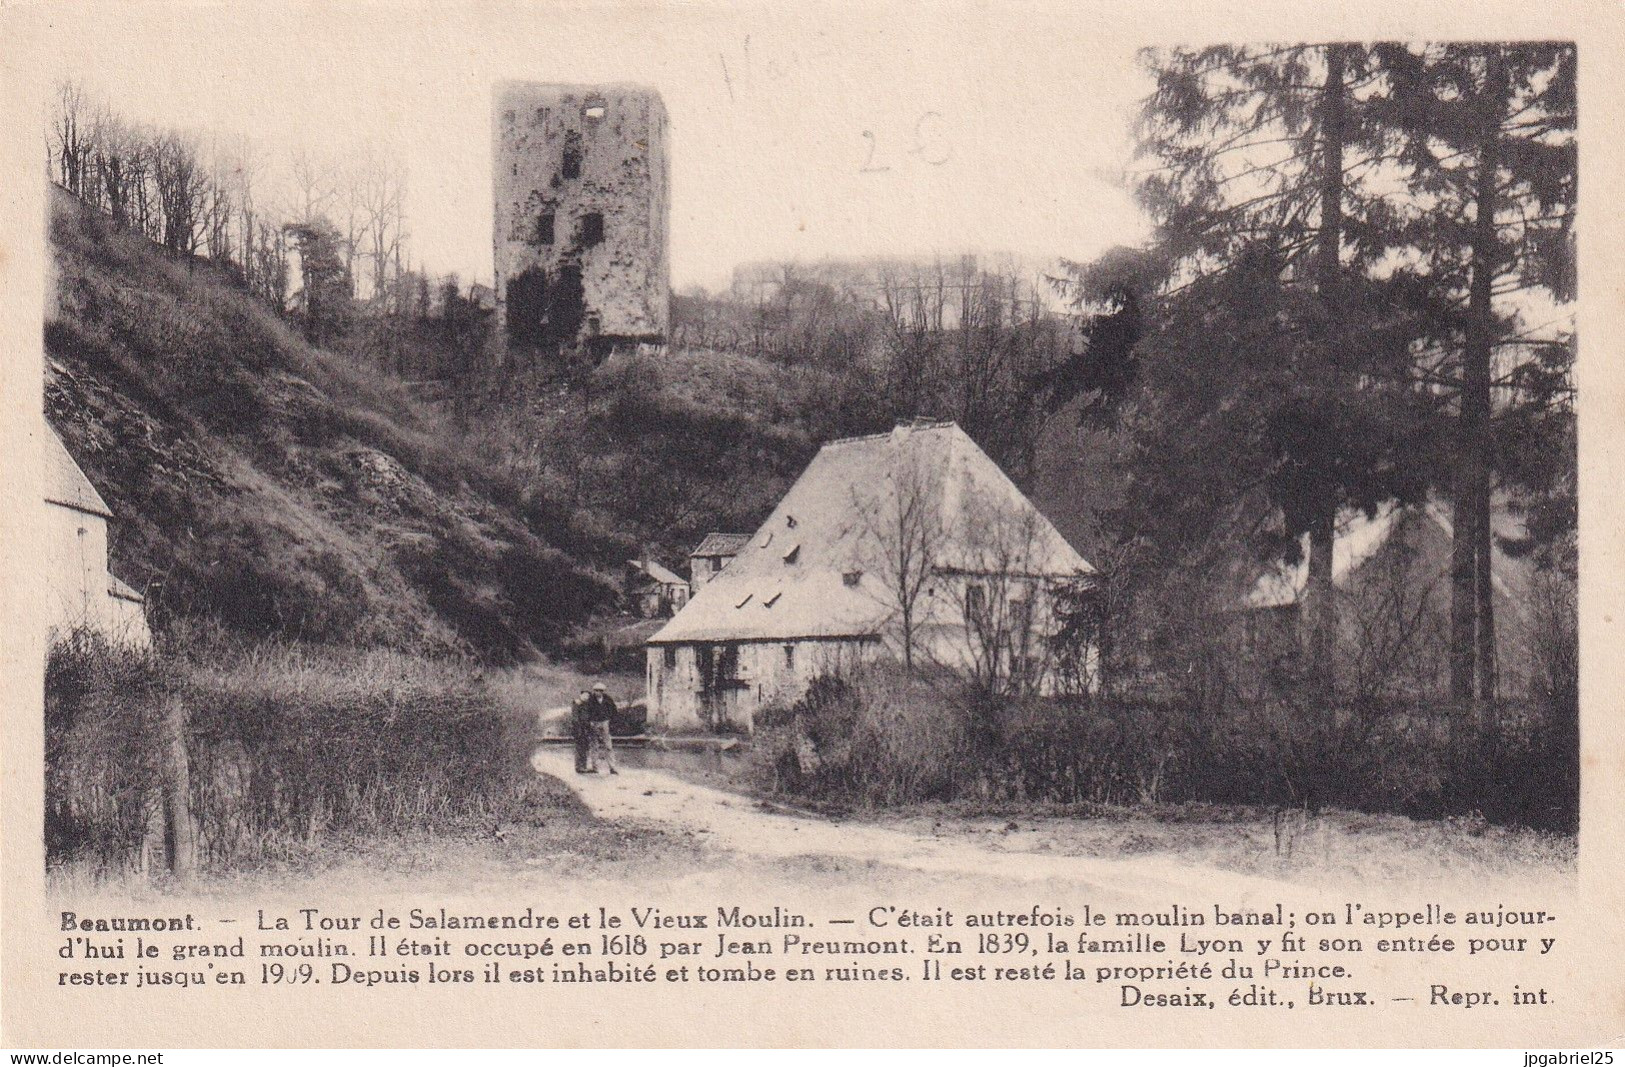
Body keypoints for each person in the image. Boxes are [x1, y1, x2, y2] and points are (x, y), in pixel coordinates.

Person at [585, 682, 618, 775]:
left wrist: (610, 721)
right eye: (596, 691)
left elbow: (614, 710)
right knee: (594, 745)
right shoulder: (590, 700)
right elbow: (586, 712)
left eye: (600, 691)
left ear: (603, 691)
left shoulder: (608, 699)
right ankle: (594, 767)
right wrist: (590, 721)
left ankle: (612, 767)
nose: (598, 693)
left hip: (605, 723)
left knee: (608, 746)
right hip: (594, 723)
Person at [570, 690, 592, 774]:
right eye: (584, 695)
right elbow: (575, 718)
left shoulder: (587, 705)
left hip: (585, 729)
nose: (586, 697)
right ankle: (578, 766)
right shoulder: (577, 704)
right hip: (579, 728)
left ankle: (584, 766)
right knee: (579, 747)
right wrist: (578, 728)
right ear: (581, 695)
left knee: (585, 747)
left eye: (587, 696)